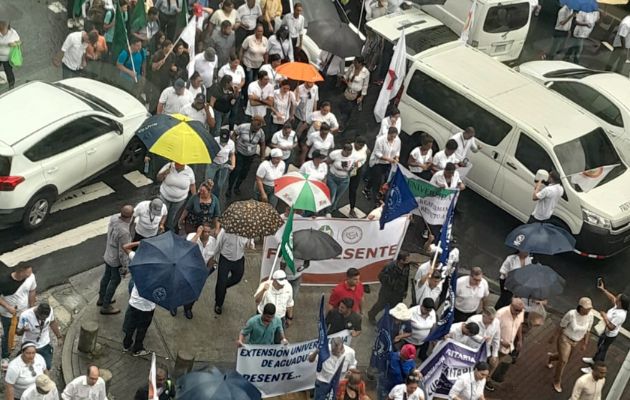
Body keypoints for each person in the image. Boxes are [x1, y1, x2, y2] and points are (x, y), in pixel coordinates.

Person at [546, 297, 594, 393]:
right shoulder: (571, 314)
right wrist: (553, 337)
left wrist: (585, 343)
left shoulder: (590, 316)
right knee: (564, 361)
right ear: (580, 307)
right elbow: (561, 326)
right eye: (587, 308)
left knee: (563, 358)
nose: (589, 310)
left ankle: (551, 357)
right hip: (565, 338)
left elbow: (588, 330)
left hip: (576, 341)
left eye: (590, 308)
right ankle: (557, 381)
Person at [172, 222, 218, 319]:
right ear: (200, 230)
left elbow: (211, 258)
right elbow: (187, 247)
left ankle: (188, 308)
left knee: (194, 291)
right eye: (204, 232)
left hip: (201, 271)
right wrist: (197, 234)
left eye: (209, 232)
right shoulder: (192, 236)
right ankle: (174, 304)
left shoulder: (213, 242)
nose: (207, 234)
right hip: (187, 268)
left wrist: (207, 271)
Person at [582, 282, 628, 371]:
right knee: (600, 348)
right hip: (605, 332)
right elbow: (611, 298)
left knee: (602, 350)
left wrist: (604, 316)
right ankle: (594, 360)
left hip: (609, 335)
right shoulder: (618, 306)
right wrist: (603, 289)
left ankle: (593, 368)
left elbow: (611, 327)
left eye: (617, 298)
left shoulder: (620, 315)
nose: (615, 298)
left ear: (620, 302)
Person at [98, 206, 133, 315]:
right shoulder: (124, 232)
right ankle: (106, 305)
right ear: (130, 216)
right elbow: (123, 251)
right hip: (116, 260)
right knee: (115, 281)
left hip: (108, 254)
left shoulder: (114, 218)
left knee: (106, 277)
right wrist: (125, 266)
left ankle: (101, 298)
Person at [0, 265, 37, 366]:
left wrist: (32, 307)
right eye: (27, 273)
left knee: (23, 331)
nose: (30, 275)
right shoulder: (4, 281)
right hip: (8, 315)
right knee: (8, 335)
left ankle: (25, 352)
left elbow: (32, 290)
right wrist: (8, 307)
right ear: (20, 271)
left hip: (23, 313)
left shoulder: (31, 277)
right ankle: (5, 356)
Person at [368, 251, 411, 324]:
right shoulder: (390, 266)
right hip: (387, 292)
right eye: (406, 259)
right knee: (380, 305)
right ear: (401, 260)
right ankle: (371, 315)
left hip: (399, 293)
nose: (408, 261)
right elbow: (381, 277)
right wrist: (392, 283)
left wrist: (405, 290)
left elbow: (406, 279)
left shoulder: (407, 267)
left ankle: (388, 321)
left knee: (395, 308)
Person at [16, 303, 63, 371]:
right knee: (25, 367)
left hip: (44, 342)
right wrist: (23, 329)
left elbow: (52, 322)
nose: (43, 320)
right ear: (37, 312)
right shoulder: (25, 315)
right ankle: (21, 354)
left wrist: (59, 337)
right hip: (30, 343)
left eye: (45, 318)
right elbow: (18, 332)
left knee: (47, 366)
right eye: (42, 318)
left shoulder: (50, 310)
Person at [214, 228, 249, 314]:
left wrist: (250, 244)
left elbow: (249, 243)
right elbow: (218, 244)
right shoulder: (224, 231)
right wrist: (215, 258)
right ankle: (218, 303)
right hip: (225, 259)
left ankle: (222, 288)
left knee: (237, 278)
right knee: (221, 282)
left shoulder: (247, 231)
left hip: (239, 259)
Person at [228, 117, 266, 196]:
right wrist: (233, 147)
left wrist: (262, 156)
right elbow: (234, 134)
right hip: (239, 153)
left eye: (258, 129)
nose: (256, 131)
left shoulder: (261, 132)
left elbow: (262, 144)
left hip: (250, 155)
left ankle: (237, 187)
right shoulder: (243, 127)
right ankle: (229, 188)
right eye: (255, 129)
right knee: (236, 171)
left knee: (244, 173)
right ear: (251, 124)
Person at [467, 307, 501, 390]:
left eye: (493, 319)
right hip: (469, 349)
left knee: (480, 370)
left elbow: (496, 338)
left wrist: (494, 354)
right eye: (490, 319)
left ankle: (474, 386)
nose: (492, 322)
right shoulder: (473, 319)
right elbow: (467, 332)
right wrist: (481, 339)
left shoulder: (496, 322)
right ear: (483, 316)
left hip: (484, 352)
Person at [492, 298, 525, 384]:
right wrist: (501, 341)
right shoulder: (500, 314)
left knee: (496, 364)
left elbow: (519, 325)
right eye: (516, 310)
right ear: (511, 306)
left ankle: (487, 378)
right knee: (491, 363)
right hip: (495, 345)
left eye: (520, 310)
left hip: (508, 346)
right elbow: (491, 330)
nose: (519, 312)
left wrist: (520, 340)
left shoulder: (521, 312)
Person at [156, 162, 196, 231]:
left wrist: (195, 198)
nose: (176, 164)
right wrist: (165, 172)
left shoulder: (189, 171)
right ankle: (158, 228)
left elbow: (192, 185)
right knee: (161, 214)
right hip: (164, 197)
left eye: (178, 163)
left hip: (179, 200)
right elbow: (158, 178)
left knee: (172, 216)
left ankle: (167, 230)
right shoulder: (169, 166)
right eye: (175, 163)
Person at [122, 278, 156, 356]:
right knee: (142, 329)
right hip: (147, 307)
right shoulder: (159, 278)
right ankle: (137, 348)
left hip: (134, 302)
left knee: (130, 325)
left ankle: (126, 344)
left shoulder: (140, 269)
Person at [367, 127, 400, 203]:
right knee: (378, 181)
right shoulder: (380, 140)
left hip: (388, 163)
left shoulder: (397, 141)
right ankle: (376, 199)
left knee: (385, 179)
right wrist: (389, 159)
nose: (393, 138)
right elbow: (378, 154)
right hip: (378, 163)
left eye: (394, 137)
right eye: (392, 136)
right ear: (388, 134)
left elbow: (397, 151)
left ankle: (367, 188)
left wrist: (397, 157)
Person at [339, 56, 370, 132]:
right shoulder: (352, 67)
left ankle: (342, 124)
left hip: (355, 94)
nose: (354, 63)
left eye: (355, 62)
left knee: (348, 110)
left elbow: (365, 85)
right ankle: (343, 120)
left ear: (360, 64)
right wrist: (344, 79)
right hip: (347, 91)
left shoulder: (366, 72)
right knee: (343, 107)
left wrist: (361, 97)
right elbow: (347, 75)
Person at [326, 144, 356, 214]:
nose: (348, 154)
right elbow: (327, 162)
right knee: (332, 196)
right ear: (343, 150)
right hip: (332, 178)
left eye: (350, 153)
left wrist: (351, 169)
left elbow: (354, 165)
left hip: (344, 180)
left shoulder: (353, 156)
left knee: (337, 197)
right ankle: (327, 212)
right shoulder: (335, 154)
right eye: (347, 153)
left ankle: (332, 209)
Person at [207, 129, 236, 201]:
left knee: (220, 185)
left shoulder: (231, 143)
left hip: (224, 165)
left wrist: (233, 164)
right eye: (222, 140)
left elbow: (232, 154)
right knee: (208, 183)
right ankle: (206, 197)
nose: (223, 143)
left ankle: (215, 199)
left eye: (225, 141)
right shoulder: (214, 141)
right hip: (213, 164)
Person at [347, 137, 369, 218]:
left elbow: (364, 159)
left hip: (357, 170)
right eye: (358, 145)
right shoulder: (349, 148)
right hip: (347, 169)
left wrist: (358, 165)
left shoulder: (364, 147)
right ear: (355, 142)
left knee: (353, 189)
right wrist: (352, 163)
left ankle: (352, 209)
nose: (360, 147)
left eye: (362, 146)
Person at [0, 21, 20, 90]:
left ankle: (11, 85)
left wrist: (13, 44)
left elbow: (19, 42)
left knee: (8, 71)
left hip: (7, 57)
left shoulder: (13, 33)